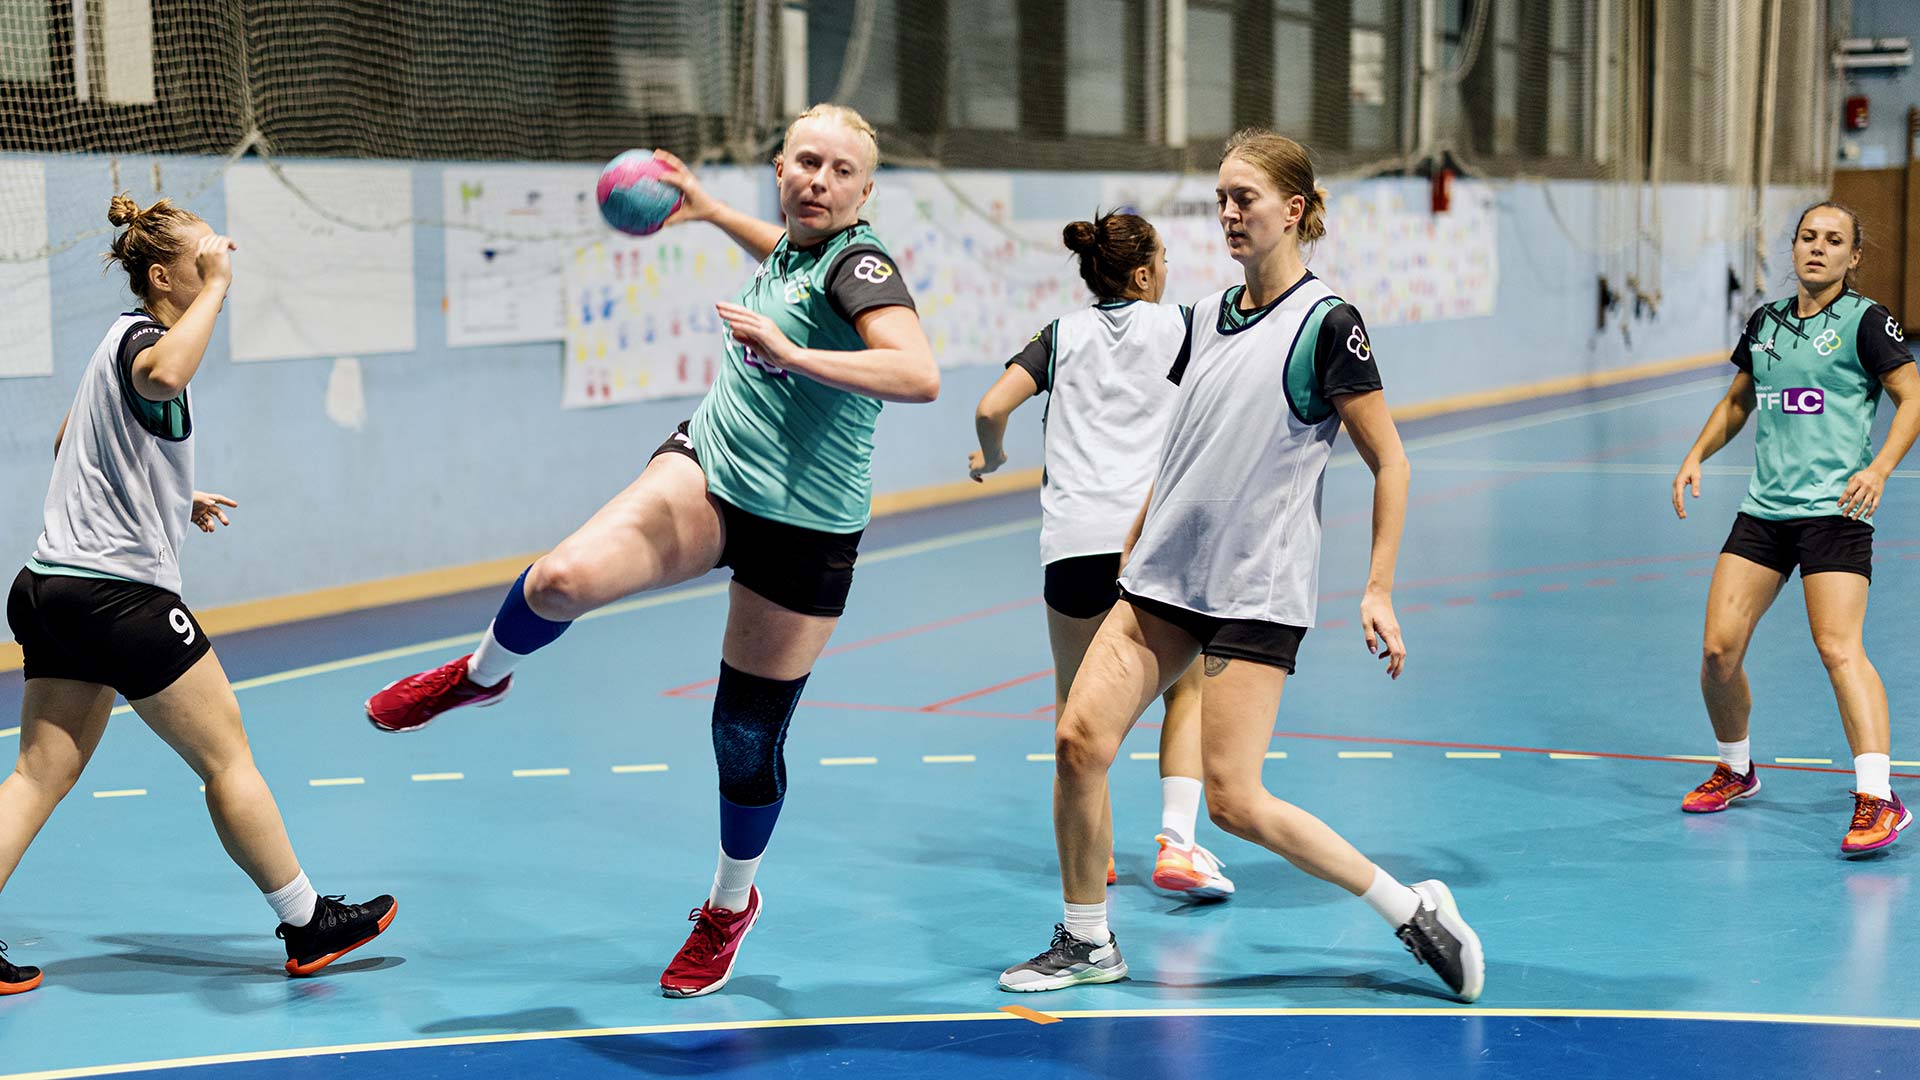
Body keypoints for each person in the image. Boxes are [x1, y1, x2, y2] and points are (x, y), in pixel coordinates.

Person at [364, 104, 938, 998]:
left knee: (744, 737)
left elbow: (917, 373)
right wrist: (710, 212)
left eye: (839, 172)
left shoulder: (863, 265)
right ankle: (479, 675)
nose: (818, 181)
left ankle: (727, 907)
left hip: (809, 525)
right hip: (713, 470)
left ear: (865, 192)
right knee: (560, 578)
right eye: (805, 164)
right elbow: (787, 267)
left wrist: (793, 353)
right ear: (781, 168)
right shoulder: (794, 248)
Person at [997, 129, 1483, 1002]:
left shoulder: (1328, 324)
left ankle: (1409, 910)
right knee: (1078, 741)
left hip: (1256, 589)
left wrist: (1378, 587)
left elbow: (1393, 463)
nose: (1226, 213)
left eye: (1243, 198)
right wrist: (1135, 541)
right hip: (1160, 578)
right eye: (1220, 198)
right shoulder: (1210, 316)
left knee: (1234, 800)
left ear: (1293, 210)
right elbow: (1184, 447)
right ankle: (1087, 939)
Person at [1, 195, 396, 995]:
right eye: (202, 259)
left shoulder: (114, 337)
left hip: (49, 588)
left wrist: (169, 494)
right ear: (163, 275)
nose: (220, 265)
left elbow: (67, 442)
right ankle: (305, 922)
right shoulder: (151, 343)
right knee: (227, 759)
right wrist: (217, 287)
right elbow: (168, 371)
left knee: (38, 775)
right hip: (120, 602)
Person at [969, 210, 1228, 899]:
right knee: (1186, 690)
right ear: (1143, 274)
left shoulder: (1060, 335)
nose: (1168, 270)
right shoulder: (1181, 326)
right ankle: (1179, 845)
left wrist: (992, 457)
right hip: (1150, 541)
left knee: (1076, 705)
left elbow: (993, 406)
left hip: (1073, 544)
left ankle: (1095, 852)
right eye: (1164, 259)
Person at [1672, 200, 1919, 855]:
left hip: (1835, 512)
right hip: (1764, 511)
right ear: (1795, 248)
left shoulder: (1867, 323)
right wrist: (1698, 452)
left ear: (1853, 257)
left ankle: (1878, 796)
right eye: (1809, 236)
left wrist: (1882, 469)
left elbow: (1912, 396)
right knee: (1718, 653)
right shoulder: (1766, 323)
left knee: (1839, 648)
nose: (1818, 248)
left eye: (1834, 240)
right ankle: (1736, 766)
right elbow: (1738, 400)